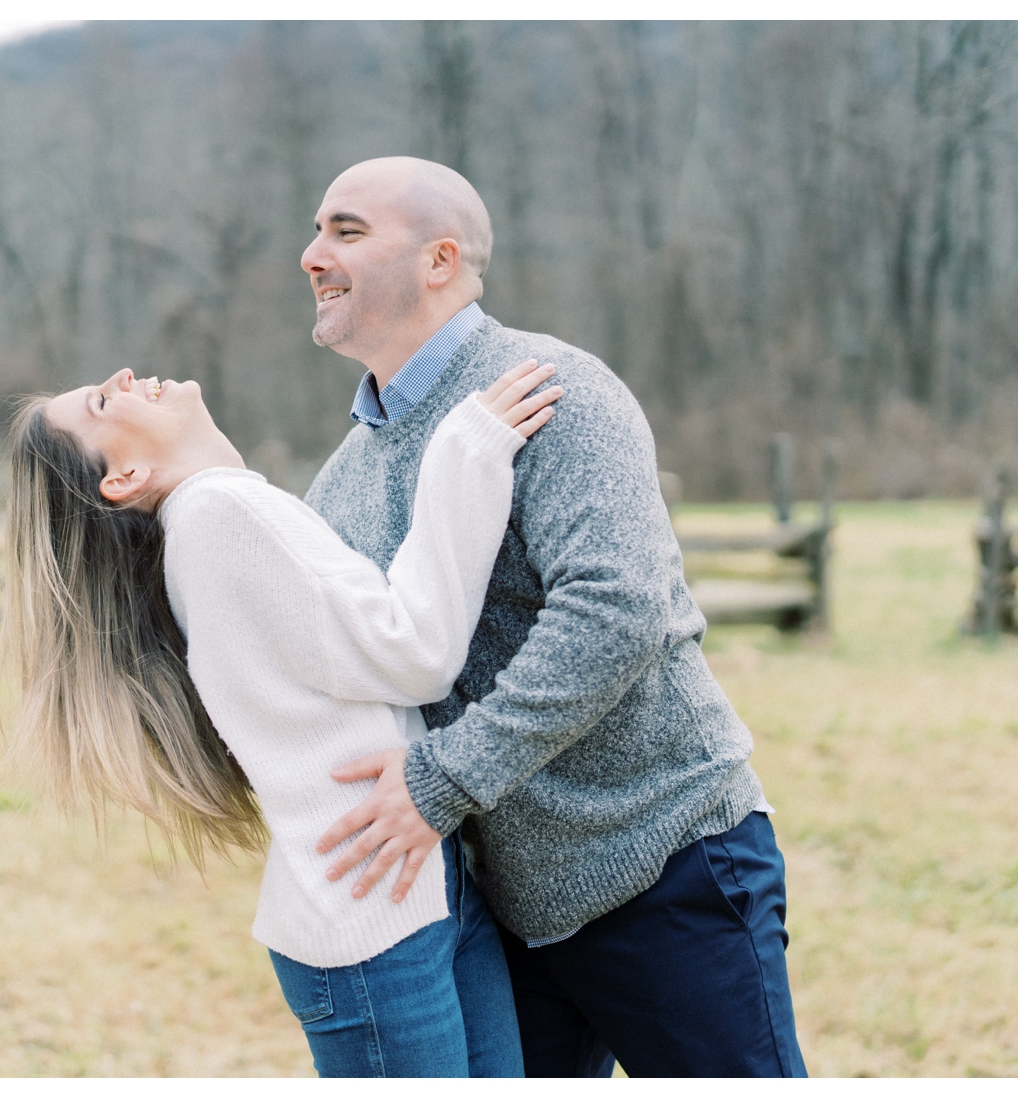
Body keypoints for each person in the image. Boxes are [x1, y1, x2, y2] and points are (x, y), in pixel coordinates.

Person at [299, 156, 808, 1078]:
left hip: (664, 863)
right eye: (317, 231)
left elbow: (616, 608)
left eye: (346, 230)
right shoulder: (342, 477)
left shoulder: (556, 392)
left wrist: (442, 779)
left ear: (439, 259)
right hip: (505, 911)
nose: (311, 254)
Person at [0, 360, 563, 1077]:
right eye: (103, 401)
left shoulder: (217, 515)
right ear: (124, 478)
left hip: (418, 883)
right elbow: (413, 650)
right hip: (371, 927)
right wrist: (467, 450)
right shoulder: (218, 513)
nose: (126, 373)